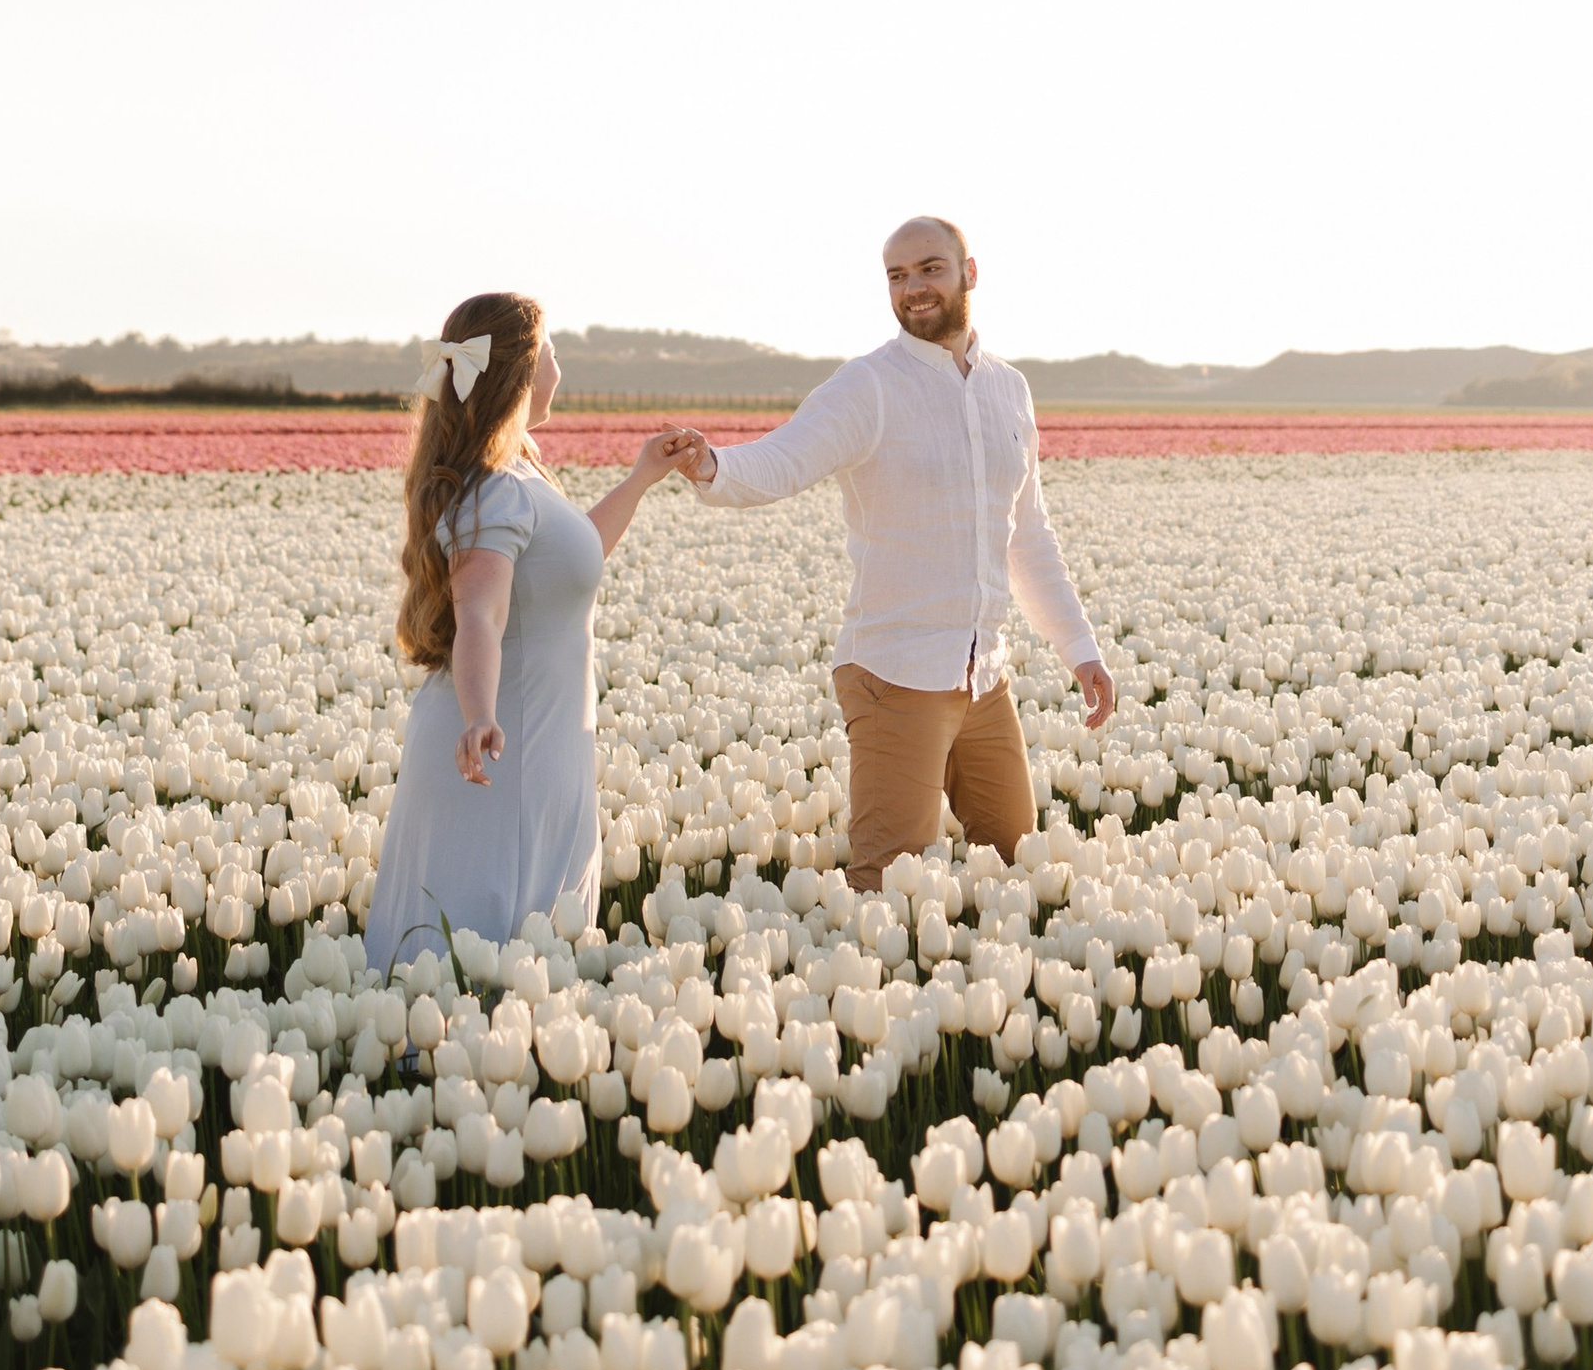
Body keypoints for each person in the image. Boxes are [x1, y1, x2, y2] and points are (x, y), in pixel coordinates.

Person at [680, 217, 1113, 893]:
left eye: (929, 269)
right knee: (887, 881)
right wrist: (713, 466)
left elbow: (1026, 533)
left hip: (981, 676)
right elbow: (784, 459)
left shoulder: (1009, 389)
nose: (913, 288)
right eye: (896, 275)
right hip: (895, 670)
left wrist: (1079, 647)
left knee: (1020, 862)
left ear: (970, 272)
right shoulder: (869, 387)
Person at [366, 291, 703, 971]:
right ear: (523, 371)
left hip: (534, 736)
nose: (560, 365)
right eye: (553, 351)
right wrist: (479, 714)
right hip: (502, 743)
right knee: (487, 923)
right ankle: (452, 1060)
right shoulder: (496, 489)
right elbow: (480, 613)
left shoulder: (518, 474)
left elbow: (567, 564)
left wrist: (641, 479)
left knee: (516, 927)